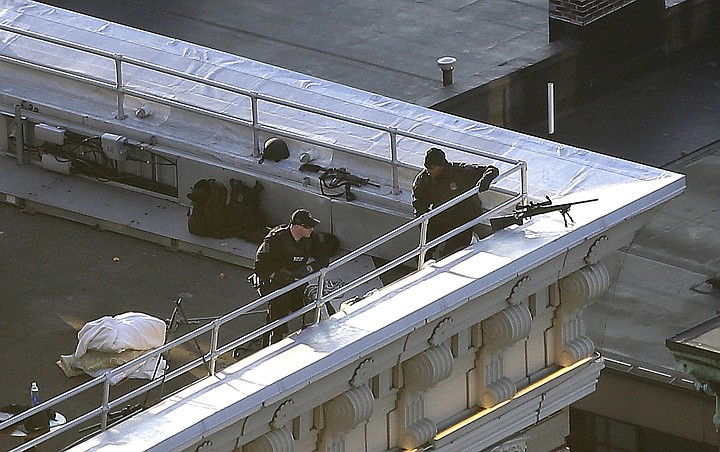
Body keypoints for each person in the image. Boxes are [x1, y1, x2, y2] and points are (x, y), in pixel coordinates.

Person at [254, 209, 329, 346]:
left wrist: (308, 268)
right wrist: (277, 276)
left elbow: (323, 259)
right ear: (297, 227)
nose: (311, 230)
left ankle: (307, 332)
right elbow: (260, 266)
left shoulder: (310, 238)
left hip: (296, 278)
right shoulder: (276, 239)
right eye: (308, 227)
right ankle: (274, 340)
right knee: (279, 306)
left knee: (306, 304)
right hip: (275, 280)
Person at [412, 147, 499, 260]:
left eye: (431, 167)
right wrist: (424, 222)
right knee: (423, 251)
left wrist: (484, 181)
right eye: (426, 167)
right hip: (442, 215)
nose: (428, 170)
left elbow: (491, 170)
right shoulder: (423, 180)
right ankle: (424, 263)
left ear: (441, 165)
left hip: (464, 216)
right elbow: (419, 203)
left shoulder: (459, 171)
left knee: (451, 253)